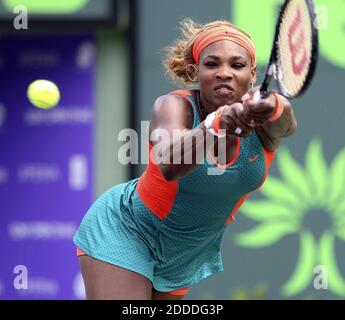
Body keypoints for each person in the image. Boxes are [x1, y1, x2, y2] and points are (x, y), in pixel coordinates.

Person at [73, 18, 297, 300]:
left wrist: (274, 105)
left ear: (253, 74)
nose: (224, 73)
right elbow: (169, 164)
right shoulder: (173, 106)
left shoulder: (264, 119)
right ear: (195, 71)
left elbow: (286, 125)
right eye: (212, 64)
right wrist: (215, 125)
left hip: (184, 253)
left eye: (236, 65)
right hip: (126, 229)